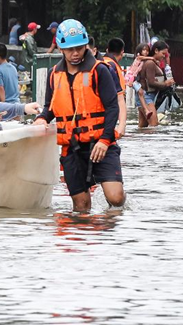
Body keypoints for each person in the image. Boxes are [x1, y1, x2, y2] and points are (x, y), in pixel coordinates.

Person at [34, 19, 125, 213]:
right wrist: (42, 118)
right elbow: (50, 107)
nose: (75, 53)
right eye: (70, 49)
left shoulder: (100, 70)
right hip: (72, 149)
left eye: (79, 48)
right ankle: (84, 239)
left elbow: (112, 107)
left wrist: (105, 140)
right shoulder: (54, 75)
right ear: (60, 48)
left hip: (101, 143)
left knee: (115, 199)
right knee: (81, 207)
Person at [138, 41, 174, 127]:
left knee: (143, 127)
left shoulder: (152, 62)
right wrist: (166, 84)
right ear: (156, 50)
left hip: (145, 96)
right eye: (163, 53)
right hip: (147, 97)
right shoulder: (150, 63)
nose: (164, 56)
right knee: (154, 125)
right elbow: (151, 82)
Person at [103, 38, 128, 138]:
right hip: (111, 113)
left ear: (107, 50)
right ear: (122, 52)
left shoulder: (99, 63)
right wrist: (122, 125)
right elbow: (120, 98)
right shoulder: (113, 67)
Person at [124, 43, 151, 115]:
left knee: (140, 93)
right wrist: (152, 58)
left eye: (147, 50)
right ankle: (146, 110)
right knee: (141, 92)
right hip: (131, 78)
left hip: (134, 79)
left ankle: (143, 109)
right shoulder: (138, 57)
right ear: (139, 51)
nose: (146, 52)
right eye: (144, 50)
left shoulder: (143, 61)